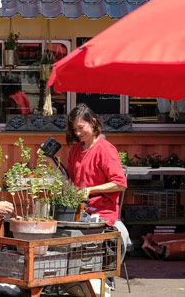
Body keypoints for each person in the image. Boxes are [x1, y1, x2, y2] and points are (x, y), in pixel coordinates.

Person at [65, 104, 128, 292]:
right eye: (74, 129)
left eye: (80, 128)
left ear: (93, 123)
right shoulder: (76, 150)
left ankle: (99, 279)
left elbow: (120, 183)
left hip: (101, 212)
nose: (77, 133)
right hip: (77, 211)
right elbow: (70, 180)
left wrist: (90, 190)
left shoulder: (105, 149)